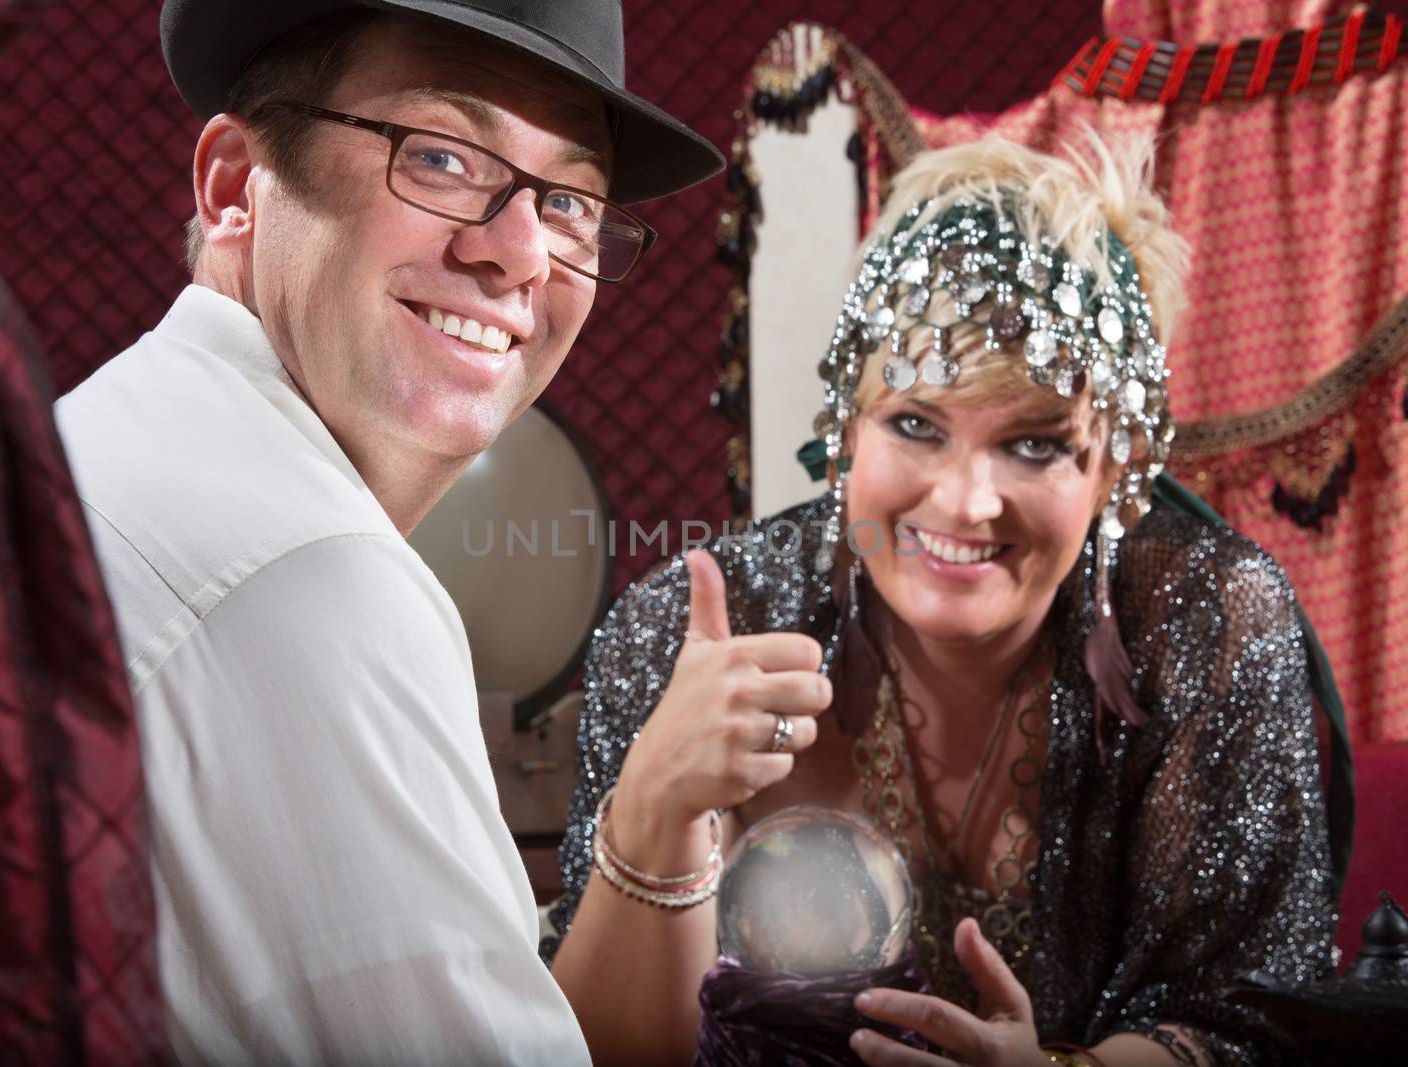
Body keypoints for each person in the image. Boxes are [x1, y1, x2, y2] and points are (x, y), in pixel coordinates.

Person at [546, 132, 1345, 1066]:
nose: (966, 502)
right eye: (916, 424)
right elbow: (599, 1052)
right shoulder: (691, 630)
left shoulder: (1205, 623)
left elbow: (1252, 1026)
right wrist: (654, 810)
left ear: (1117, 465)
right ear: (846, 428)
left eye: (1037, 444)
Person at [52, 1, 721, 1062]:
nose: (518, 256)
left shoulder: (114, 434)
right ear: (235, 187)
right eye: (444, 158)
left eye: (570, 202)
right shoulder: (309, 581)